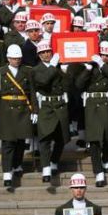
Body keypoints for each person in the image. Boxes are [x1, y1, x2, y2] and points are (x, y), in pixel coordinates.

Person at [0, 44, 37, 189]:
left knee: (21, 141)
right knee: (8, 143)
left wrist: (35, 110)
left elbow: (32, 93)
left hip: (23, 109)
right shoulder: (0, 72)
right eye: (14, 58)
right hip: (7, 110)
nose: (16, 61)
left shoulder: (27, 71)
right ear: (8, 58)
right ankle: (7, 172)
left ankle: (17, 164)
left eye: (18, 58)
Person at [75, 42, 108, 187]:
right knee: (94, 139)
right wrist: (88, 68)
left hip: (106, 103)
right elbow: (78, 84)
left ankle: (106, 158)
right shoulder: (89, 67)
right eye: (103, 55)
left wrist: (103, 64)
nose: (106, 58)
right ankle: (98, 171)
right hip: (91, 104)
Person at [32, 40, 70, 182]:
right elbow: (43, 81)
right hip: (46, 106)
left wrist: (66, 71)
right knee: (45, 138)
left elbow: (67, 84)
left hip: (60, 104)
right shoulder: (36, 70)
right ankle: (46, 167)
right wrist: (35, 110)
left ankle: (54, 161)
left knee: (61, 138)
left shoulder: (58, 67)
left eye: (48, 51)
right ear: (39, 55)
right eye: (42, 53)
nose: (46, 55)